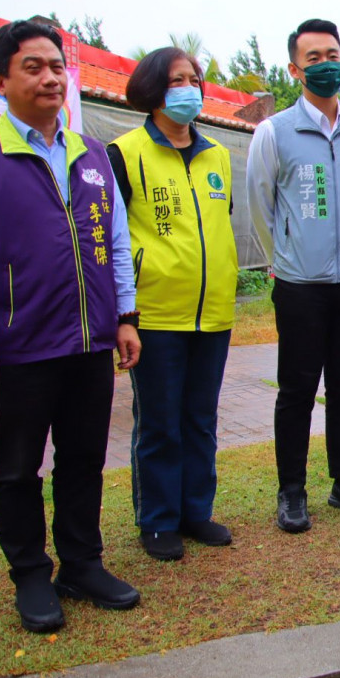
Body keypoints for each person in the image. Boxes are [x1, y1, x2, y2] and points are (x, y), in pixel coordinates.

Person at [0, 20, 142, 632]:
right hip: (22, 345)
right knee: (17, 466)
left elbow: (115, 236)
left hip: (89, 342)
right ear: (0, 80)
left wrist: (125, 317)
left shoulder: (89, 154)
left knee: (82, 458)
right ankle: (30, 573)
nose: (51, 77)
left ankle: (81, 563)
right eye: (34, 67)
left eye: (57, 65)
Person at [247, 19, 340, 532]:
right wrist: (282, 259)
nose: (325, 64)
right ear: (295, 69)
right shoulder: (274, 132)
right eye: (313, 57)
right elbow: (260, 205)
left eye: (333, 53)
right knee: (297, 389)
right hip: (300, 285)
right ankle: (292, 491)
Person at [107, 47, 238, 561]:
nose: (189, 88)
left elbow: (219, 225)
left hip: (214, 311)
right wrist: (125, 314)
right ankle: (158, 520)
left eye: (195, 79)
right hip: (156, 313)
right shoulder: (124, 152)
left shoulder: (217, 155)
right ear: (153, 88)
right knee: (159, 419)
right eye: (177, 79)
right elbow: (115, 241)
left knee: (200, 417)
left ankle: (195, 512)